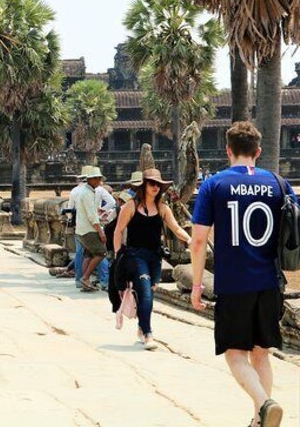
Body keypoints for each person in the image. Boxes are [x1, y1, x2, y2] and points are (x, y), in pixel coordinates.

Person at [190, 122, 292, 426]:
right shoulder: (279, 183)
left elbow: (197, 241)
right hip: (271, 281)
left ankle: (264, 404)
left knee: (235, 354)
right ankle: (260, 421)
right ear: (258, 152)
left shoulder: (214, 185)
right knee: (262, 354)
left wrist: (197, 284)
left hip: (234, 283)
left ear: (228, 150)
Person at [113, 168, 191, 349]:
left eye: (158, 184)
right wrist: (118, 255)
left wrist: (190, 239)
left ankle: (141, 325)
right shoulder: (130, 206)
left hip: (155, 257)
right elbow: (118, 230)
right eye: (152, 183)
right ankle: (148, 334)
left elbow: (176, 229)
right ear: (144, 186)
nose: (156, 187)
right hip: (135, 256)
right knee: (146, 293)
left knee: (148, 293)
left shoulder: (163, 208)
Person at [71, 166, 110, 293]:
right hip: (89, 230)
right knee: (101, 253)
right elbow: (92, 215)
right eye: (97, 179)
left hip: (82, 229)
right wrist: (100, 231)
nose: (99, 181)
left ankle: (84, 281)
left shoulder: (87, 191)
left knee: (88, 255)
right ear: (91, 179)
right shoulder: (87, 193)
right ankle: (85, 277)